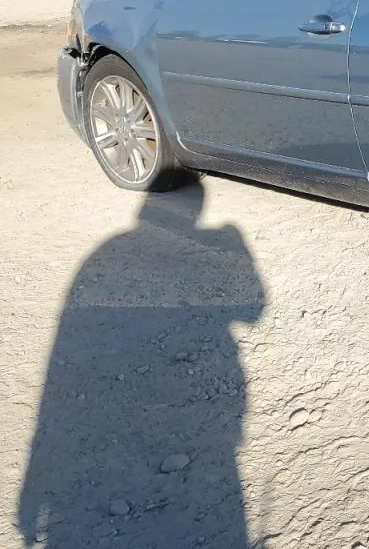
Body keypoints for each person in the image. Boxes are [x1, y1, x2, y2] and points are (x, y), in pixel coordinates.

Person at [18, 182, 264, 548]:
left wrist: (31, 494)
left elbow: (53, 379)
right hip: (214, 439)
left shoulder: (104, 251)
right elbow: (254, 311)